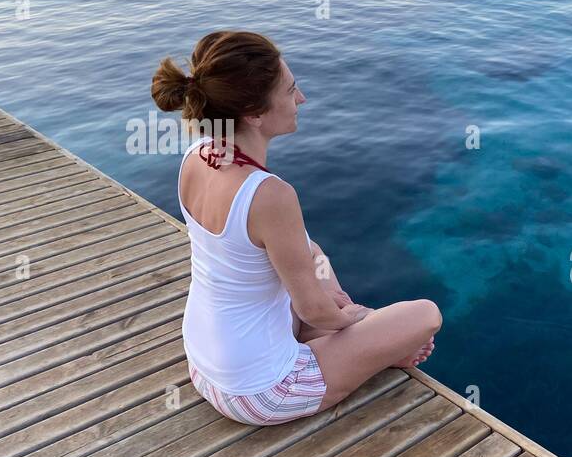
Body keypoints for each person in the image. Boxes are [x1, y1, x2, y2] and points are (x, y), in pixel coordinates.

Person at [151, 30, 441, 425]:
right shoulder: (270, 194)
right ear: (253, 113)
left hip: (205, 363)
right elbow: (313, 309)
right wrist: (355, 319)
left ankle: (364, 346)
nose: (300, 99)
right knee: (425, 314)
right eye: (290, 91)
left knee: (312, 251)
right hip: (262, 391)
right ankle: (373, 348)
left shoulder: (195, 157)